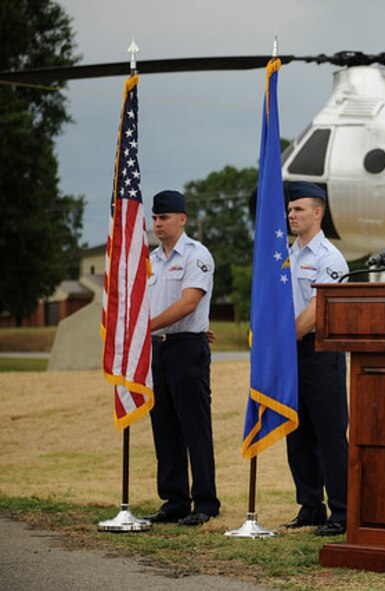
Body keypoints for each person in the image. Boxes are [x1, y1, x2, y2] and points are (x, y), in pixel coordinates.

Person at [143, 190, 220, 526]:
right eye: (155, 218)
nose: (157, 224)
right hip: (158, 350)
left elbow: (189, 303)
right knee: (165, 427)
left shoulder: (196, 255)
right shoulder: (151, 259)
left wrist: (144, 327)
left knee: (194, 428)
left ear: (182, 219)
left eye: (164, 218)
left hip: (187, 349)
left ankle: (205, 503)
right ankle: (174, 500)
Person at [281, 181, 350, 537]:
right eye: (290, 209)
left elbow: (318, 307)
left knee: (329, 434)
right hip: (289, 352)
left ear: (318, 212)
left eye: (299, 209)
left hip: (320, 351)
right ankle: (310, 506)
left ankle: (342, 510)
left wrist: (283, 336)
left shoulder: (329, 258)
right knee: (298, 432)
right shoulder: (286, 254)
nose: (292, 214)